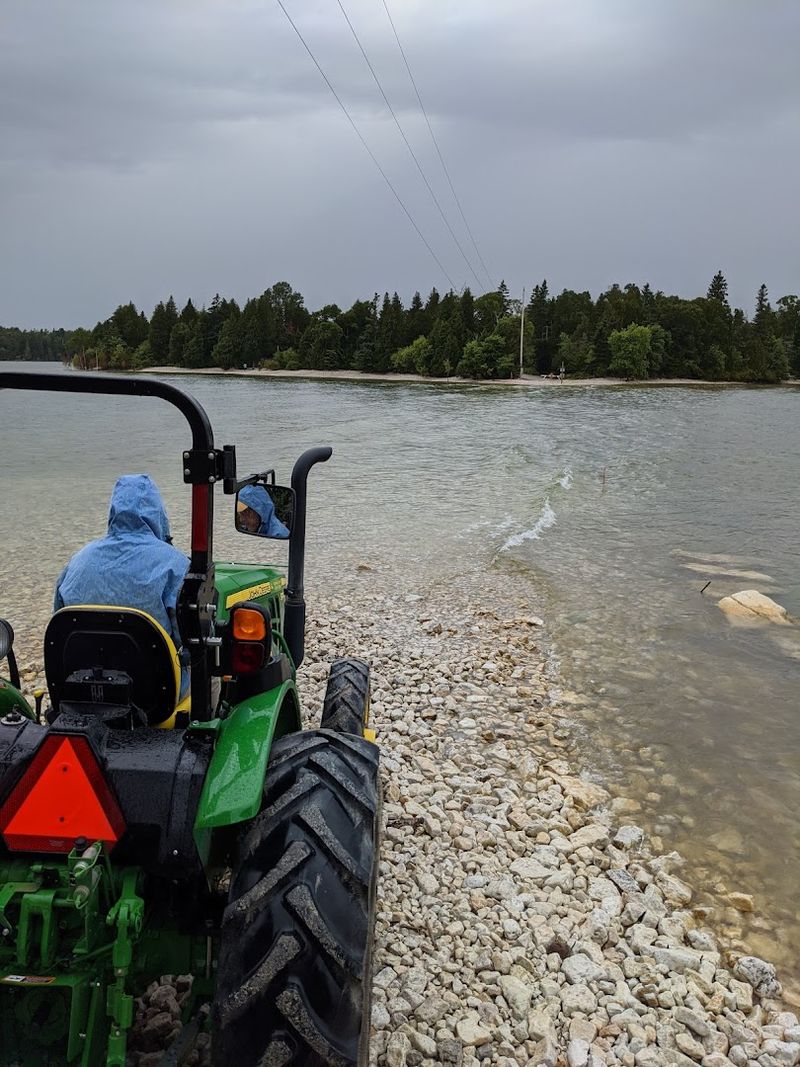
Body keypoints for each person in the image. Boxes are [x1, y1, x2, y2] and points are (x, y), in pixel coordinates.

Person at [54, 474, 190, 695]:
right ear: (158, 513)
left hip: (82, 691)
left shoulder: (78, 561)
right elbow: (189, 643)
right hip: (156, 696)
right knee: (210, 676)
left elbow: (60, 626)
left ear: (113, 510)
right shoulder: (176, 565)